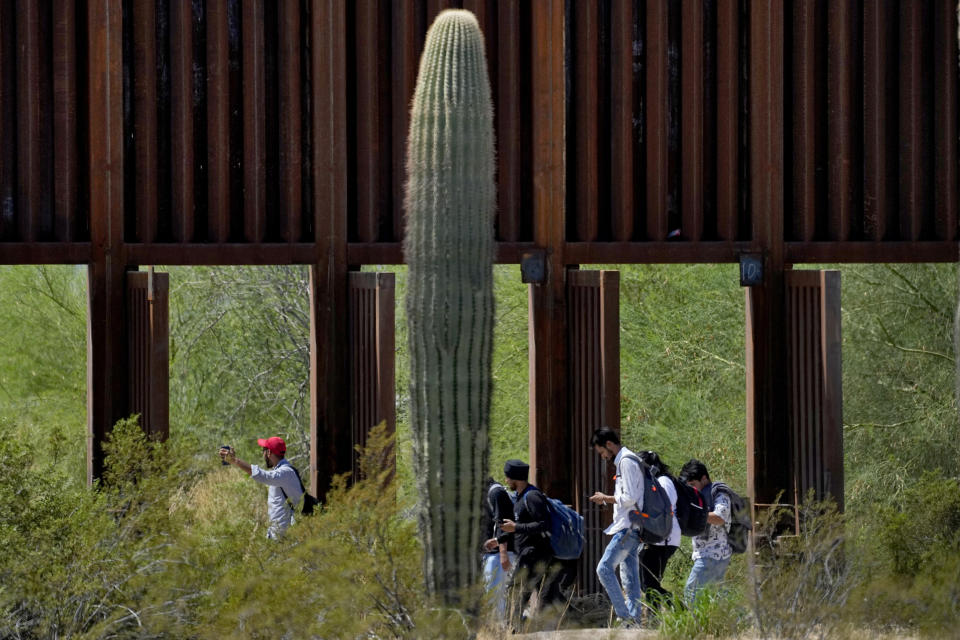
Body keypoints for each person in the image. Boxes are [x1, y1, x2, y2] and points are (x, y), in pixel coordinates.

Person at [588, 427, 645, 627]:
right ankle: (634, 620)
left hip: (627, 528)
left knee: (603, 568)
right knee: (630, 578)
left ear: (610, 445)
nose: (603, 456)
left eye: (602, 452)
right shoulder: (627, 460)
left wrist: (605, 498)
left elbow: (629, 498)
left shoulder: (626, 461)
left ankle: (625, 617)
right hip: (632, 526)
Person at [499, 459, 563, 616]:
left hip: (534, 554)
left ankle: (512, 630)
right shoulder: (520, 497)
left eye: (507, 477)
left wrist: (516, 527)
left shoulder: (532, 496)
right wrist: (506, 535)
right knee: (550, 597)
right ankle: (576, 621)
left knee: (516, 593)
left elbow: (544, 525)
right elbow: (524, 525)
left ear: (515, 477)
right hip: (531, 554)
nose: (506, 481)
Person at [219, 437, 303, 540]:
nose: (262, 454)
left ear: (268, 452)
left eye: (263, 451)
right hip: (280, 537)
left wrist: (235, 461)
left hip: (286, 538)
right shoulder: (282, 472)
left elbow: (263, 476)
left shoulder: (285, 472)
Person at [680, 458, 732, 602]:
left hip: (714, 555)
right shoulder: (696, 496)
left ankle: (692, 624)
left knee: (691, 592)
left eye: (693, 484)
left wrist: (695, 514)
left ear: (704, 479)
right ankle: (738, 620)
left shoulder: (719, 493)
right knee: (717, 597)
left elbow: (720, 517)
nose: (692, 489)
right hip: (707, 554)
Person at [637, 450, 680, 609]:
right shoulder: (657, 481)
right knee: (649, 584)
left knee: (649, 584)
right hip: (659, 538)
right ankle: (657, 618)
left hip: (662, 540)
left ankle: (680, 610)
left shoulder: (663, 481)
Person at [481, 476, 518, 617]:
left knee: (494, 596)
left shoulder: (496, 493)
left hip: (499, 554)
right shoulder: (485, 494)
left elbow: (503, 525)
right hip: (490, 554)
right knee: (491, 594)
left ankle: (497, 629)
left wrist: (503, 555)